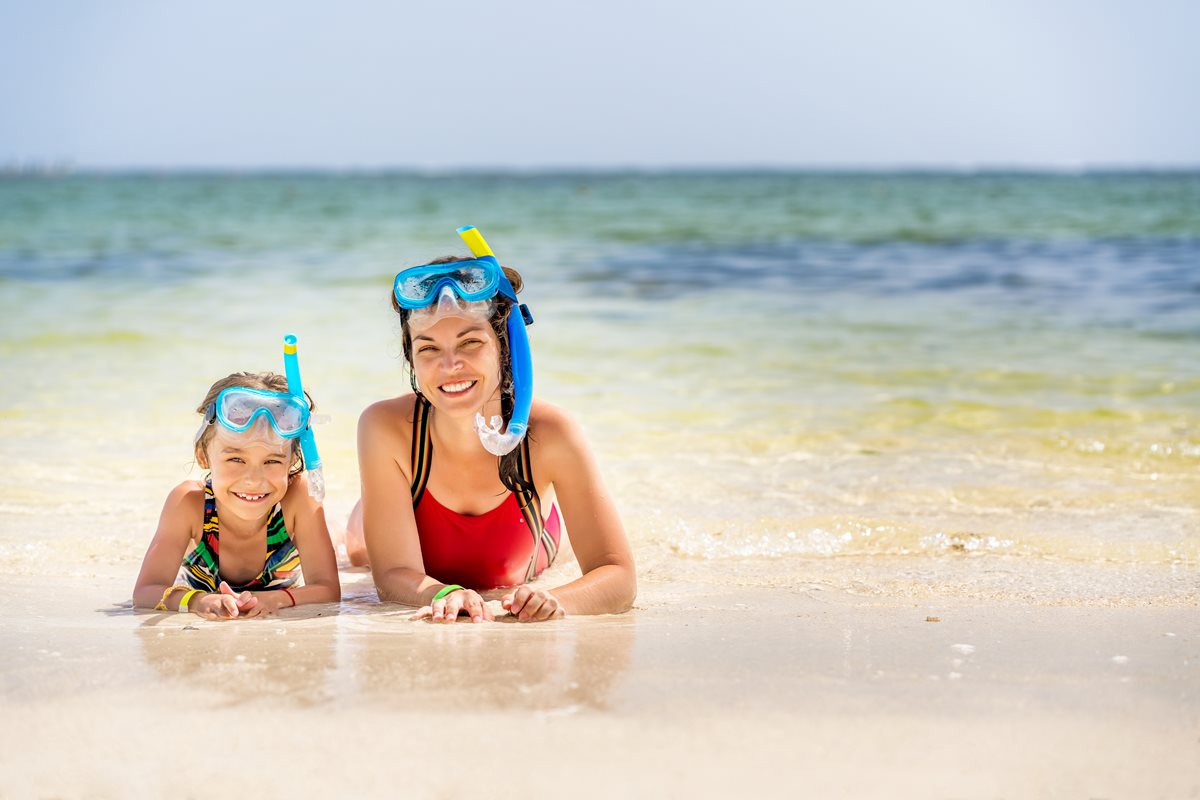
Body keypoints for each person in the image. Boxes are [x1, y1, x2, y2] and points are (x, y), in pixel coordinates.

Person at [347, 226, 635, 623]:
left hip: (530, 543)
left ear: (505, 348)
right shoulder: (385, 428)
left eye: (470, 343)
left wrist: (557, 600)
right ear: (411, 358)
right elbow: (392, 576)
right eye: (429, 348)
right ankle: (372, 506)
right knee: (359, 551)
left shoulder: (549, 434)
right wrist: (442, 593)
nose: (450, 366)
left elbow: (617, 576)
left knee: (526, 569)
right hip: (396, 510)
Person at [133, 369, 340, 619]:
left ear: (292, 460)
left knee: (355, 554)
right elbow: (146, 592)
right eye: (235, 459)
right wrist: (199, 600)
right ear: (203, 455)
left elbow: (327, 589)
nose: (253, 479)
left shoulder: (298, 498)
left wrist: (278, 598)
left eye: (272, 461)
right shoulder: (188, 504)